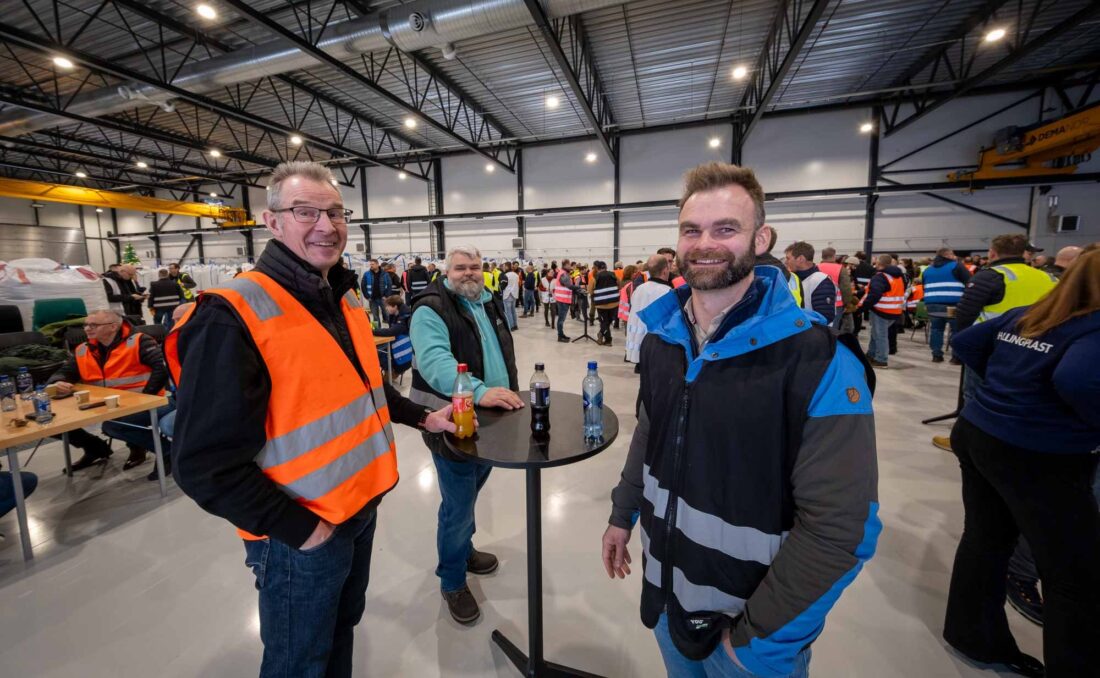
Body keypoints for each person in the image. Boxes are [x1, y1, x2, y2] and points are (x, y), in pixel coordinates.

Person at [170, 161, 456, 678]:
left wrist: (422, 417)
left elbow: (364, 386)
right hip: (298, 536)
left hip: (360, 508)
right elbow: (201, 465)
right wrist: (304, 532)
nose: (326, 225)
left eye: (335, 212)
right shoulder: (232, 314)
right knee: (298, 663)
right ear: (272, 221)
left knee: (340, 631)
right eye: (305, 211)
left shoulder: (340, 297)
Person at [602, 161, 879, 678]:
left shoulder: (817, 360)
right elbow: (649, 433)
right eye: (692, 230)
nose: (705, 243)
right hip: (667, 597)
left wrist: (758, 637)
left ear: (761, 238)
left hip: (749, 633)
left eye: (726, 229)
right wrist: (623, 513)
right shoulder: (663, 340)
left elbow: (840, 528)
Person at [943, 249, 1100, 678]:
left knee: (984, 540)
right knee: (1074, 571)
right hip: (1038, 452)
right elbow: (1077, 380)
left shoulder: (1030, 313)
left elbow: (967, 341)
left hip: (979, 431)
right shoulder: (1092, 326)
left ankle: (972, 636)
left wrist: (1004, 389)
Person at [408, 244, 523, 625]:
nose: (469, 273)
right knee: (457, 506)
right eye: (460, 267)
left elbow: (500, 354)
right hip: (450, 422)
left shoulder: (486, 302)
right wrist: (478, 392)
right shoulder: (431, 308)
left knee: (470, 493)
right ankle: (453, 579)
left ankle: (466, 550)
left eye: (475, 266)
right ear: (447, 272)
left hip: (490, 421)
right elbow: (435, 361)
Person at [47, 309, 172, 479]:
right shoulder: (83, 349)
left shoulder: (139, 341)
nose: (87, 329)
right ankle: (95, 448)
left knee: (113, 426)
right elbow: (66, 371)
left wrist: (145, 397)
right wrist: (57, 381)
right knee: (49, 420)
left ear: (113, 326)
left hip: (149, 402)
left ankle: (167, 451)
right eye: (86, 325)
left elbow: (162, 369)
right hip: (103, 405)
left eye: (93, 325)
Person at [921, 247, 970, 363]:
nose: (954, 256)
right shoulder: (956, 266)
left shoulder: (927, 270)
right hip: (953, 305)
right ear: (947, 255)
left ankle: (936, 355)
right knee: (956, 330)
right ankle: (956, 357)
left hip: (933, 305)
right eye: (953, 254)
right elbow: (970, 282)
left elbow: (924, 287)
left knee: (936, 329)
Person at [625, 254, 673, 370]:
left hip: (638, 349)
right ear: (665, 270)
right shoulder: (667, 292)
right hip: (657, 350)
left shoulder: (639, 289)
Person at [859, 254, 905, 368]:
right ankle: (871, 354)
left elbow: (875, 294)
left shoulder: (880, 276)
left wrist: (862, 307)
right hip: (895, 311)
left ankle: (881, 359)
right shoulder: (899, 276)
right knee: (877, 333)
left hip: (881, 310)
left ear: (879, 264)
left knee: (880, 335)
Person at [785, 241, 837, 324]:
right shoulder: (791, 279)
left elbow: (825, 316)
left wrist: (792, 315)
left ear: (800, 259)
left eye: (788, 258)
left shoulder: (821, 281)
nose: (786, 262)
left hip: (814, 334)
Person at [819, 246, 854, 331]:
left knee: (820, 326)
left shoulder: (816, 267)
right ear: (834, 256)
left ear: (822, 256)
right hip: (836, 304)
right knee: (833, 329)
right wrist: (847, 303)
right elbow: (846, 289)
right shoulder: (841, 269)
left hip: (818, 302)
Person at [590, 260, 620, 345]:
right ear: (606, 267)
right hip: (614, 303)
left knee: (604, 322)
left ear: (597, 268)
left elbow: (590, 291)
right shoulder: (614, 275)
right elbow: (620, 285)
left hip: (601, 305)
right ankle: (607, 339)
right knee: (608, 322)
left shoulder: (594, 278)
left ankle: (606, 339)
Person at [553, 259, 583, 342]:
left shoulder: (565, 273)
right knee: (561, 319)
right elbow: (569, 286)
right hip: (562, 299)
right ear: (565, 265)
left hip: (563, 299)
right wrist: (579, 287)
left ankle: (561, 334)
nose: (570, 266)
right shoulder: (563, 274)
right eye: (569, 265)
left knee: (561, 319)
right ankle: (560, 336)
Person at [363, 258, 392, 323]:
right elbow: (363, 286)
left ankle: (391, 329)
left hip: (383, 298)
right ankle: (378, 331)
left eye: (372, 264)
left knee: (387, 314)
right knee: (375, 316)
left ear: (377, 264)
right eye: (370, 264)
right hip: (372, 298)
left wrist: (386, 296)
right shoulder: (366, 274)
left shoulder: (385, 274)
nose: (371, 266)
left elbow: (389, 285)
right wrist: (367, 296)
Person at [501, 261, 520, 330]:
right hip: (514, 294)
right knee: (513, 310)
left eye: (504, 266)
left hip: (507, 294)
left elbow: (503, 285)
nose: (503, 268)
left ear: (506, 266)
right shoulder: (516, 275)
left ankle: (511, 326)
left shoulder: (506, 275)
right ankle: (515, 325)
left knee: (508, 311)